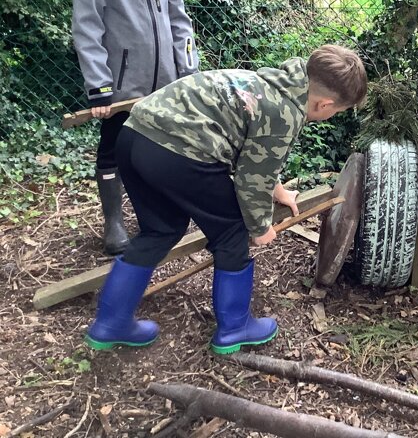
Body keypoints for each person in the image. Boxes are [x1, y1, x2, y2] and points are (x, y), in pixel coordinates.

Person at [84, 45, 367, 354]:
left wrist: (279, 190)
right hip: (181, 153)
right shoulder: (286, 112)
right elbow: (249, 182)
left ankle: (110, 324)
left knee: (160, 229)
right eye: (336, 112)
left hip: (134, 137)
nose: (331, 116)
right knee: (232, 230)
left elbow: (255, 154)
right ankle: (235, 327)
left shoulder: (269, 83)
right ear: (325, 104)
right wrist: (259, 227)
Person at [72, 0, 198, 256]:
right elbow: (87, 31)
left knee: (162, 148)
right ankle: (113, 221)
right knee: (113, 148)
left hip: (166, 87)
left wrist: (187, 72)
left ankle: (158, 215)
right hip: (122, 90)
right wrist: (99, 86)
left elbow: (181, 25)